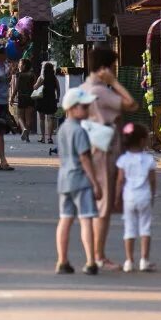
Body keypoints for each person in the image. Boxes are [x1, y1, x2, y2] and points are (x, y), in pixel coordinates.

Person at [82, 47, 138, 271]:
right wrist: (114, 82)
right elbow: (132, 104)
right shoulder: (102, 91)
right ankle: (99, 255)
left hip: (87, 148)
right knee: (103, 205)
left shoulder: (83, 88)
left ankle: (94, 254)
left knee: (93, 203)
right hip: (104, 150)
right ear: (106, 68)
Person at [55, 87, 102, 275]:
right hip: (81, 180)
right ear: (73, 108)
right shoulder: (79, 131)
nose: (88, 109)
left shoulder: (62, 129)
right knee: (86, 220)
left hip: (65, 179)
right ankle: (91, 261)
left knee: (65, 220)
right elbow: (85, 158)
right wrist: (95, 182)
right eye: (84, 107)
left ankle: (62, 260)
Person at [115, 123, 156, 272]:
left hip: (129, 197)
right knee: (145, 228)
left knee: (129, 228)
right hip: (144, 196)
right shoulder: (149, 160)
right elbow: (152, 180)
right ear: (142, 141)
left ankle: (129, 261)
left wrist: (117, 197)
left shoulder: (123, 160)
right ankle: (144, 260)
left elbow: (120, 180)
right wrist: (152, 196)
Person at [10, 58, 37, 142]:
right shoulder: (32, 75)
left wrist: (12, 97)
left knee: (20, 117)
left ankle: (24, 128)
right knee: (29, 119)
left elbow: (16, 87)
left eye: (20, 64)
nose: (18, 65)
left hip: (21, 97)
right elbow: (35, 86)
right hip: (30, 97)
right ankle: (27, 137)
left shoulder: (19, 75)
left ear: (24, 65)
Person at [35, 62, 60, 144]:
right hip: (51, 99)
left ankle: (42, 137)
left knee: (42, 119)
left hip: (42, 100)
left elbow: (35, 87)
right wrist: (58, 98)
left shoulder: (41, 78)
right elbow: (58, 89)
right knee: (50, 119)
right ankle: (49, 138)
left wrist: (38, 84)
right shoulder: (54, 78)